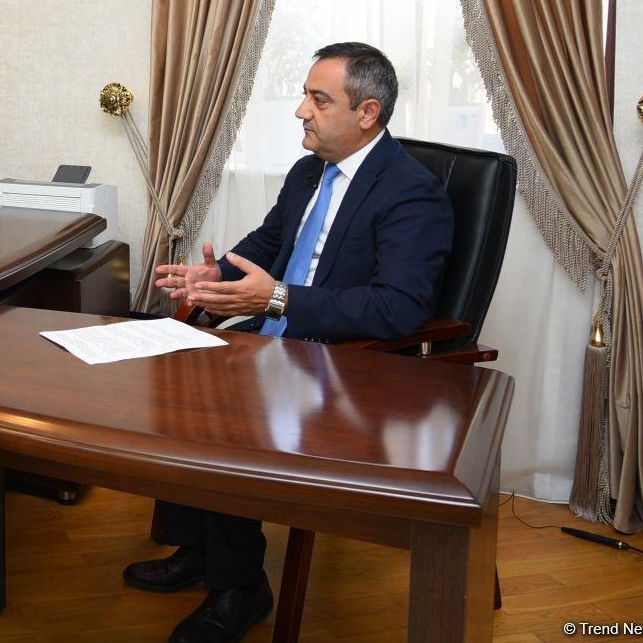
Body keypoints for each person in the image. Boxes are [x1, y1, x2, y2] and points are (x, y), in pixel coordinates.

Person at [123, 42, 453, 643]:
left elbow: (399, 307)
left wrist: (277, 299)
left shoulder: (412, 191)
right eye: (305, 95)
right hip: (280, 338)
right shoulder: (309, 171)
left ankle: (241, 587)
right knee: (174, 379)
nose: (301, 110)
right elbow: (269, 243)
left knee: (224, 415)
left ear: (367, 113)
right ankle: (200, 549)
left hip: (345, 360)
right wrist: (216, 275)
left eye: (319, 100)